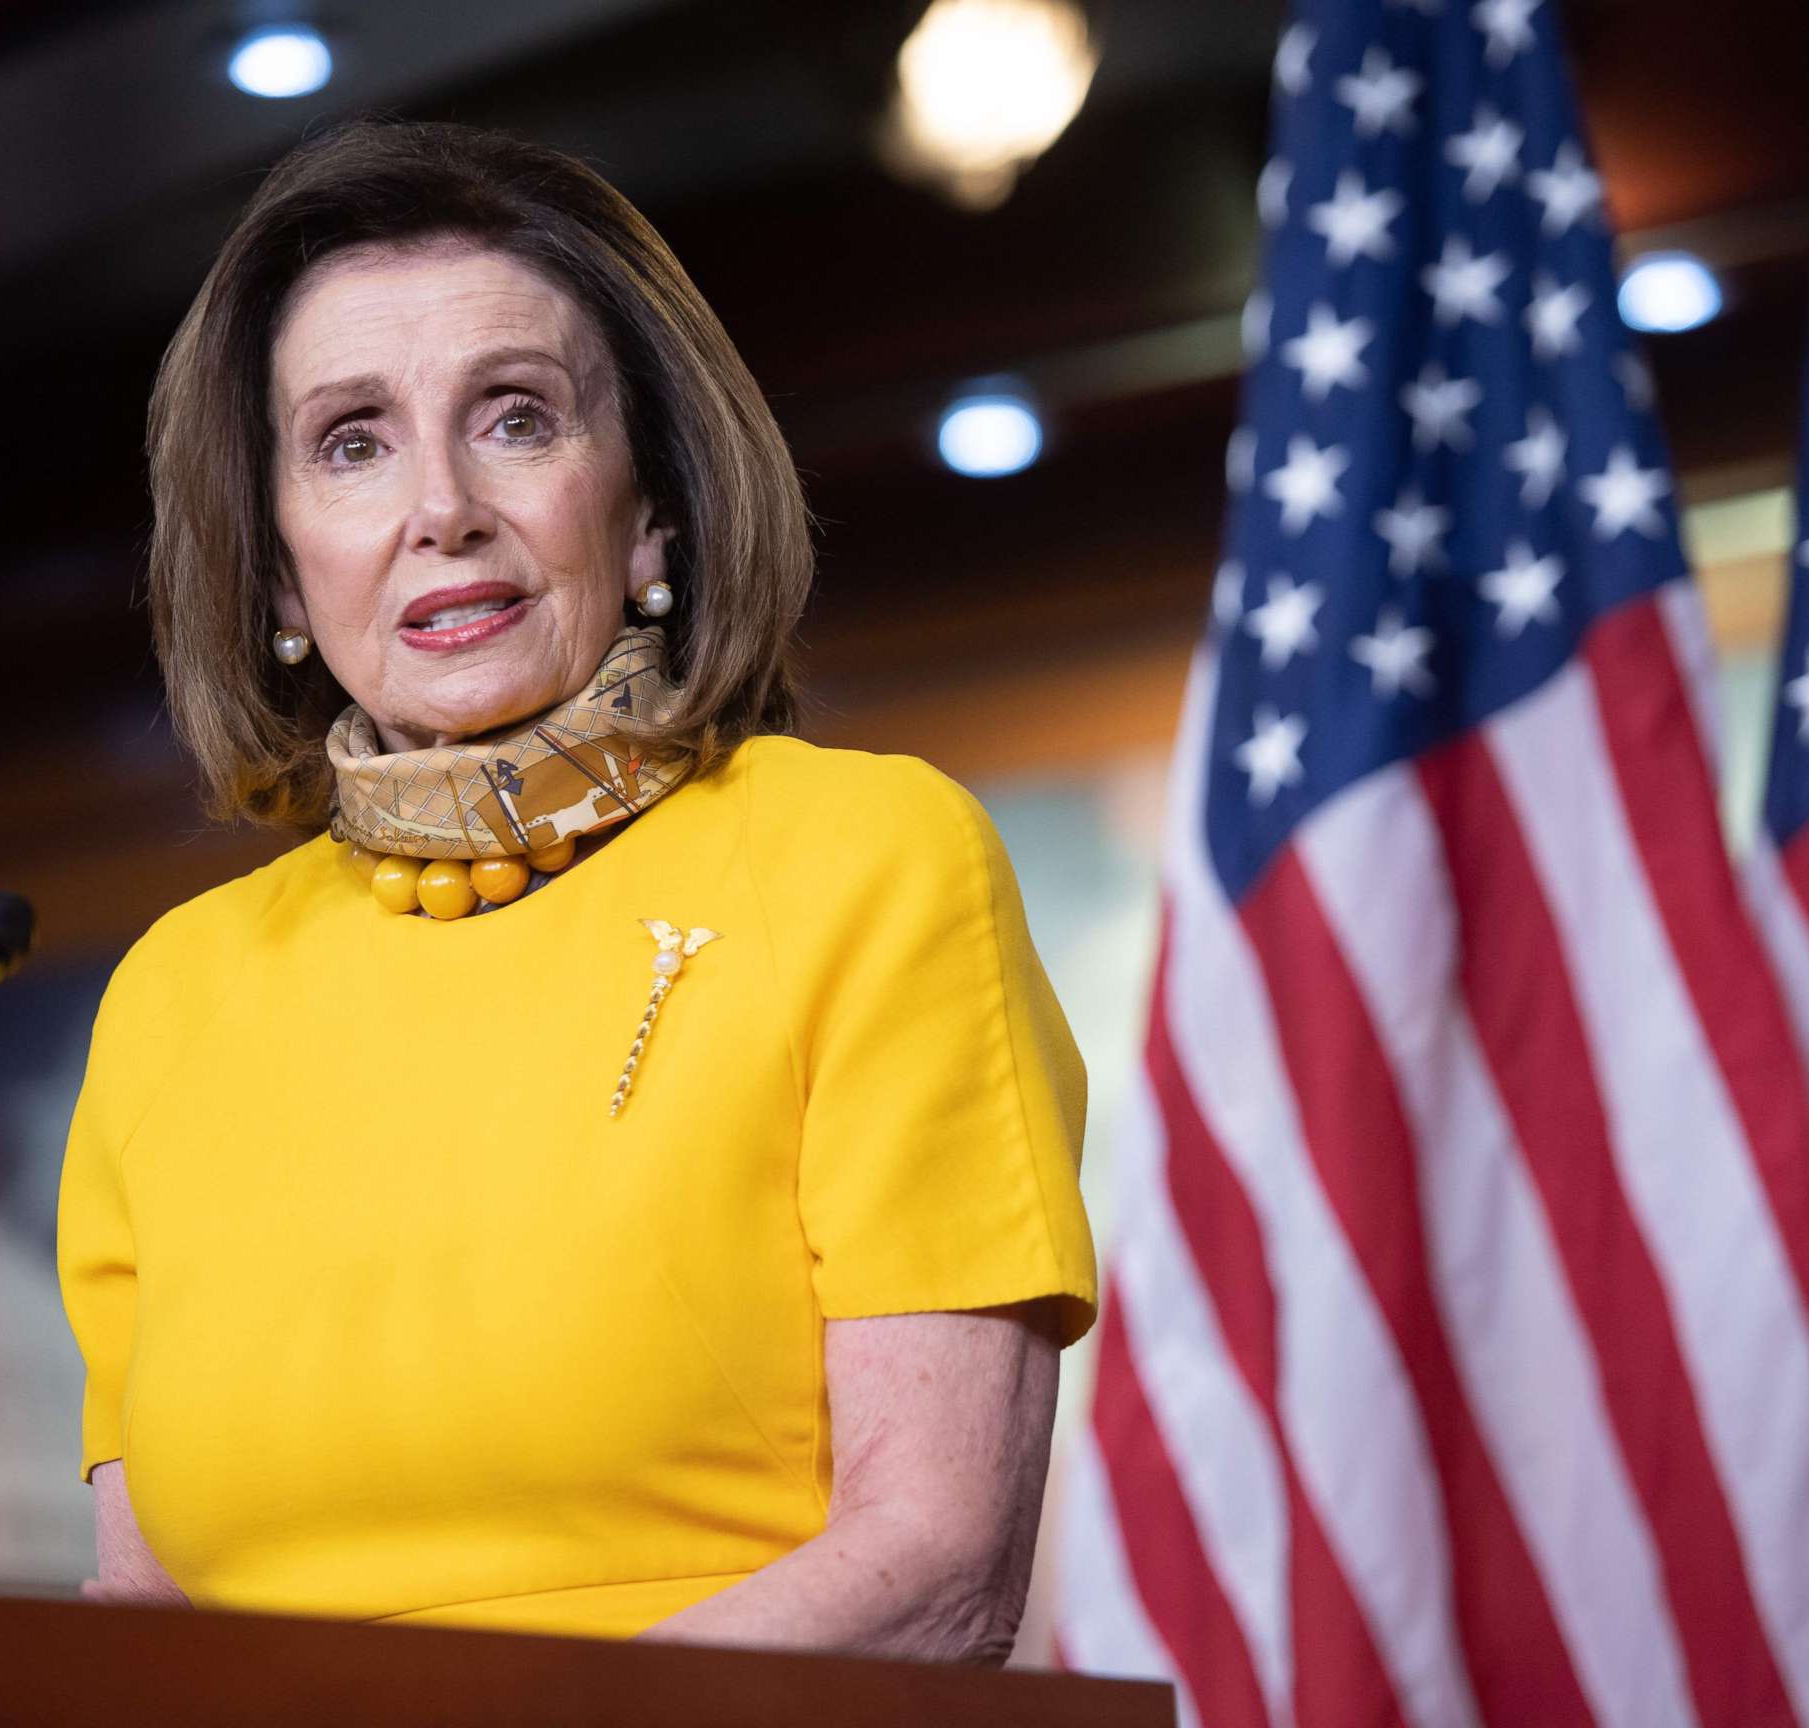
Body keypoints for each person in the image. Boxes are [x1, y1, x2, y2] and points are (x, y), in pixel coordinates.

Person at [55, 119, 1095, 1665]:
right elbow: (142, 1627)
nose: (441, 508)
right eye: (352, 441)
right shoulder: (172, 996)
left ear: (653, 504)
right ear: (276, 573)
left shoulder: (870, 858)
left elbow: (938, 1569)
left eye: (518, 418)